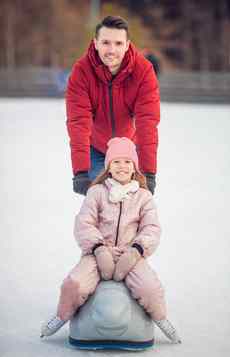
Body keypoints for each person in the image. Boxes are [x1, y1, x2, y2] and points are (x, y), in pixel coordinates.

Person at [41, 137, 181, 344]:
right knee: (74, 284)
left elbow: (151, 228)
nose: (122, 166)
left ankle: (161, 319)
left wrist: (136, 251)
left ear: (134, 168)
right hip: (97, 254)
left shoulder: (143, 197)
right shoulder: (96, 192)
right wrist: (98, 249)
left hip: (131, 255)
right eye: (116, 162)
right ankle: (61, 316)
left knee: (150, 287)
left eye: (127, 162)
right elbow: (84, 223)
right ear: (108, 167)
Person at [66, 15, 160, 196]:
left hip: (129, 149)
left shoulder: (144, 70)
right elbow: (78, 122)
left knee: (131, 209)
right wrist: (80, 171)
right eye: (106, 43)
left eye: (118, 43)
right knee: (101, 205)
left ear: (127, 44)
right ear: (95, 43)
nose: (111, 50)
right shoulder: (81, 71)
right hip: (95, 148)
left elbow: (147, 122)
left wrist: (148, 172)